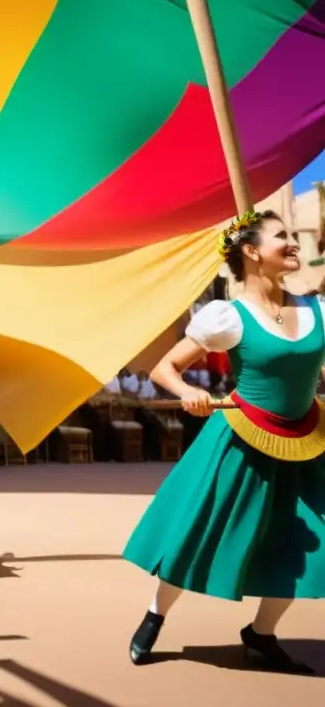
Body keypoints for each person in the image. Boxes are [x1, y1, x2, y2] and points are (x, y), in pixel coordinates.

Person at [123, 210, 325, 675]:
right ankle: (156, 615)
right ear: (252, 252)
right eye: (282, 238)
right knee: (200, 531)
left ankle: (262, 633)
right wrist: (189, 392)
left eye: (293, 236)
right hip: (242, 441)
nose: (293, 244)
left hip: (304, 442)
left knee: (304, 542)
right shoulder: (227, 318)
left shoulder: (317, 310)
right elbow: (163, 370)